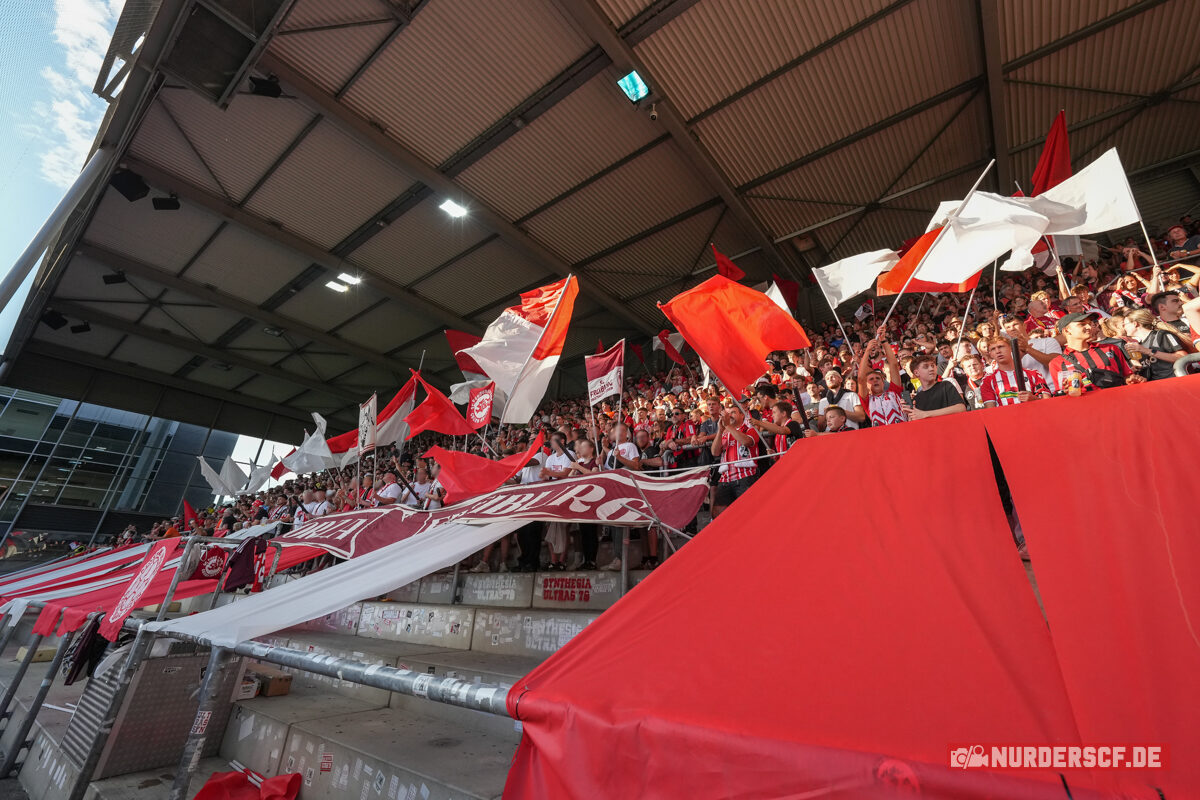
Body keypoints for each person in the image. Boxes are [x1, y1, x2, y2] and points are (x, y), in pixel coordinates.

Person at [1046, 312, 1146, 393]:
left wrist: (1132, 379)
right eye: (1082, 324)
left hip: (1118, 404)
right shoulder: (1057, 363)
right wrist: (1066, 391)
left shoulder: (1111, 348)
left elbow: (1127, 376)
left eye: (1089, 324)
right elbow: (1062, 395)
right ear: (1067, 331)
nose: (1089, 327)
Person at [709, 405, 759, 519]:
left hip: (745, 477)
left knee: (748, 514)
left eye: (733, 412)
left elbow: (746, 441)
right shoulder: (724, 432)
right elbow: (715, 452)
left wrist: (728, 426)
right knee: (718, 515)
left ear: (742, 415)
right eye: (728, 413)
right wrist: (720, 430)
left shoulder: (750, 428)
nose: (730, 415)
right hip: (725, 479)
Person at [979, 338, 1051, 407]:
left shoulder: (1034, 374)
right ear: (990, 354)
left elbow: (1048, 403)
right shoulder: (987, 381)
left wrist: (1034, 399)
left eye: (1001, 347)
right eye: (993, 349)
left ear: (1011, 348)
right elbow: (990, 411)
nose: (998, 351)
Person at [1121, 309, 1189, 381]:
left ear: (1135, 324)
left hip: (1174, 381)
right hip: (1156, 384)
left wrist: (1147, 351)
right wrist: (1138, 369)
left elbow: (1182, 357)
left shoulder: (1161, 335)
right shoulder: (1140, 345)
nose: (1123, 327)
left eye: (1124, 324)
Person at [539, 435, 574, 570]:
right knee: (549, 528)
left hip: (566, 493)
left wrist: (549, 473)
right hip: (553, 494)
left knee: (564, 528)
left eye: (553, 440)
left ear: (562, 441)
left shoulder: (569, 454)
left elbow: (565, 473)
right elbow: (547, 476)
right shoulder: (550, 458)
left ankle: (562, 560)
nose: (550, 443)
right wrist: (543, 475)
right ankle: (554, 560)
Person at [856, 335, 907, 426]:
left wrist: (884, 341)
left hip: (901, 431)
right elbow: (861, 378)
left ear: (883, 382)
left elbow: (894, 365)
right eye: (871, 379)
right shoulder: (867, 400)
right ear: (867, 385)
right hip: (880, 434)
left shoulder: (894, 392)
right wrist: (867, 351)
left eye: (878, 378)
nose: (875, 380)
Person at [901, 354, 966, 420]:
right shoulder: (917, 399)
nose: (931, 369)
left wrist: (926, 414)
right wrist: (910, 413)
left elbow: (961, 408)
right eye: (926, 367)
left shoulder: (946, 385)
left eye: (932, 365)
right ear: (916, 373)